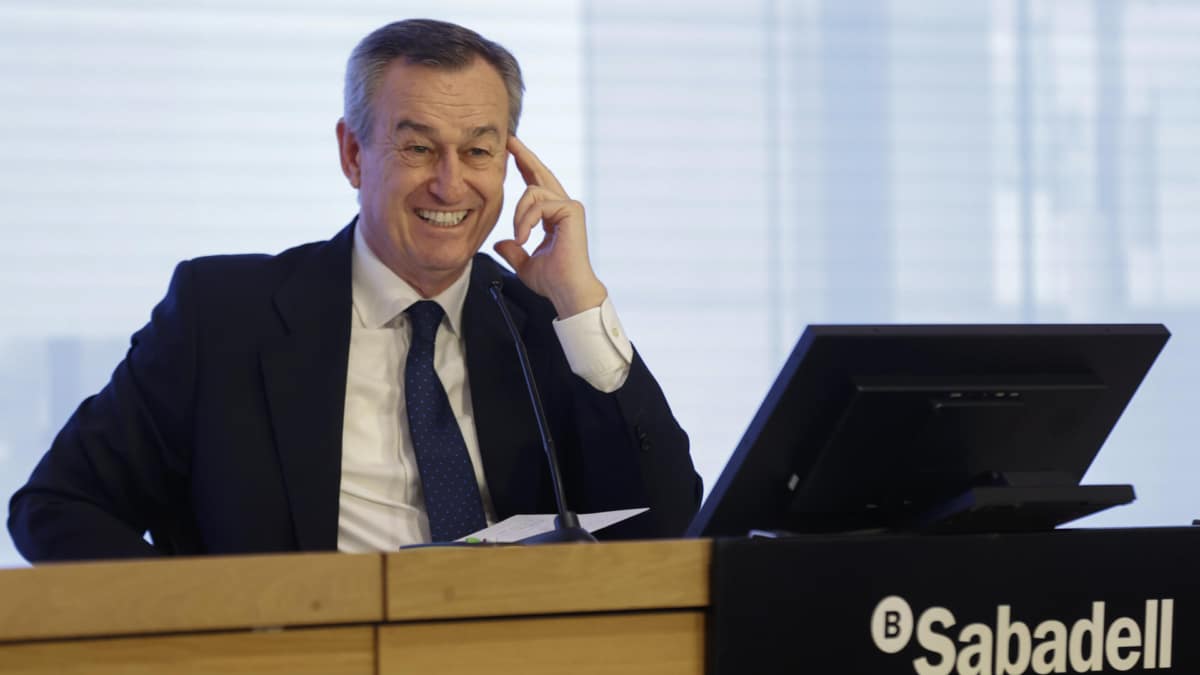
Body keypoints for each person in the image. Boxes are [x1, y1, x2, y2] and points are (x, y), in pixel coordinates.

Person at [8, 18, 701, 561]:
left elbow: (669, 526)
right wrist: (204, 624)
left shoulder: (540, 320)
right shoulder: (222, 315)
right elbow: (56, 505)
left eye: (479, 150)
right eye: (418, 147)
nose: (450, 184)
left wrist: (580, 307)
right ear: (351, 153)